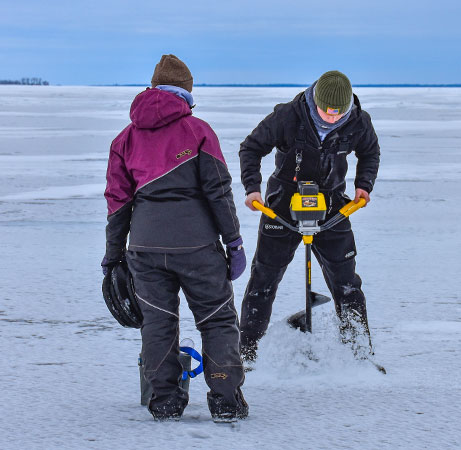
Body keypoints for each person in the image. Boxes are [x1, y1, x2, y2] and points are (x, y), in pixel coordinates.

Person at [102, 54, 248, 422]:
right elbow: (219, 192)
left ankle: (165, 400)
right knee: (216, 320)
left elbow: (117, 204)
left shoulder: (125, 139)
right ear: (185, 93)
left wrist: (113, 258)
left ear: (153, 90)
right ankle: (225, 399)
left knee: (158, 322)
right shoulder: (198, 131)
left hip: (145, 249)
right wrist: (234, 243)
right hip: (197, 247)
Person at [239, 70, 380, 362]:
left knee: (347, 282)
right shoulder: (288, 116)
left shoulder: (358, 121)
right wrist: (252, 189)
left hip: (332, 207)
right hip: (281, 208)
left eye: (337, 115)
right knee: (263, 279)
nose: (330, 119)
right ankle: (247, 355)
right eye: (325, 113)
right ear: (314, 99)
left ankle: (360, 356)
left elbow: (370, 152)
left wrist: (363, 186)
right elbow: (250, 148)